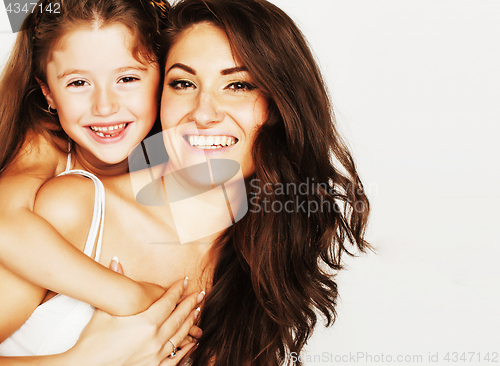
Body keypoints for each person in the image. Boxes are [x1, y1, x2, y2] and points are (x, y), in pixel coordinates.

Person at [19, 0, 370, 365]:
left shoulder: (266, 256)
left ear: (280, 108)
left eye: (237, 85)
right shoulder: (74, 209)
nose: (204, 113)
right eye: (183, 83)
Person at [0, 0, 202, 363]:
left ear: (164, 76)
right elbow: (4, 222)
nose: (105, 106)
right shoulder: (44, 152)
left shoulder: (190, 174)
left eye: (127, 78)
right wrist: (129, 299)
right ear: (47, 91)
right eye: (78, 82)